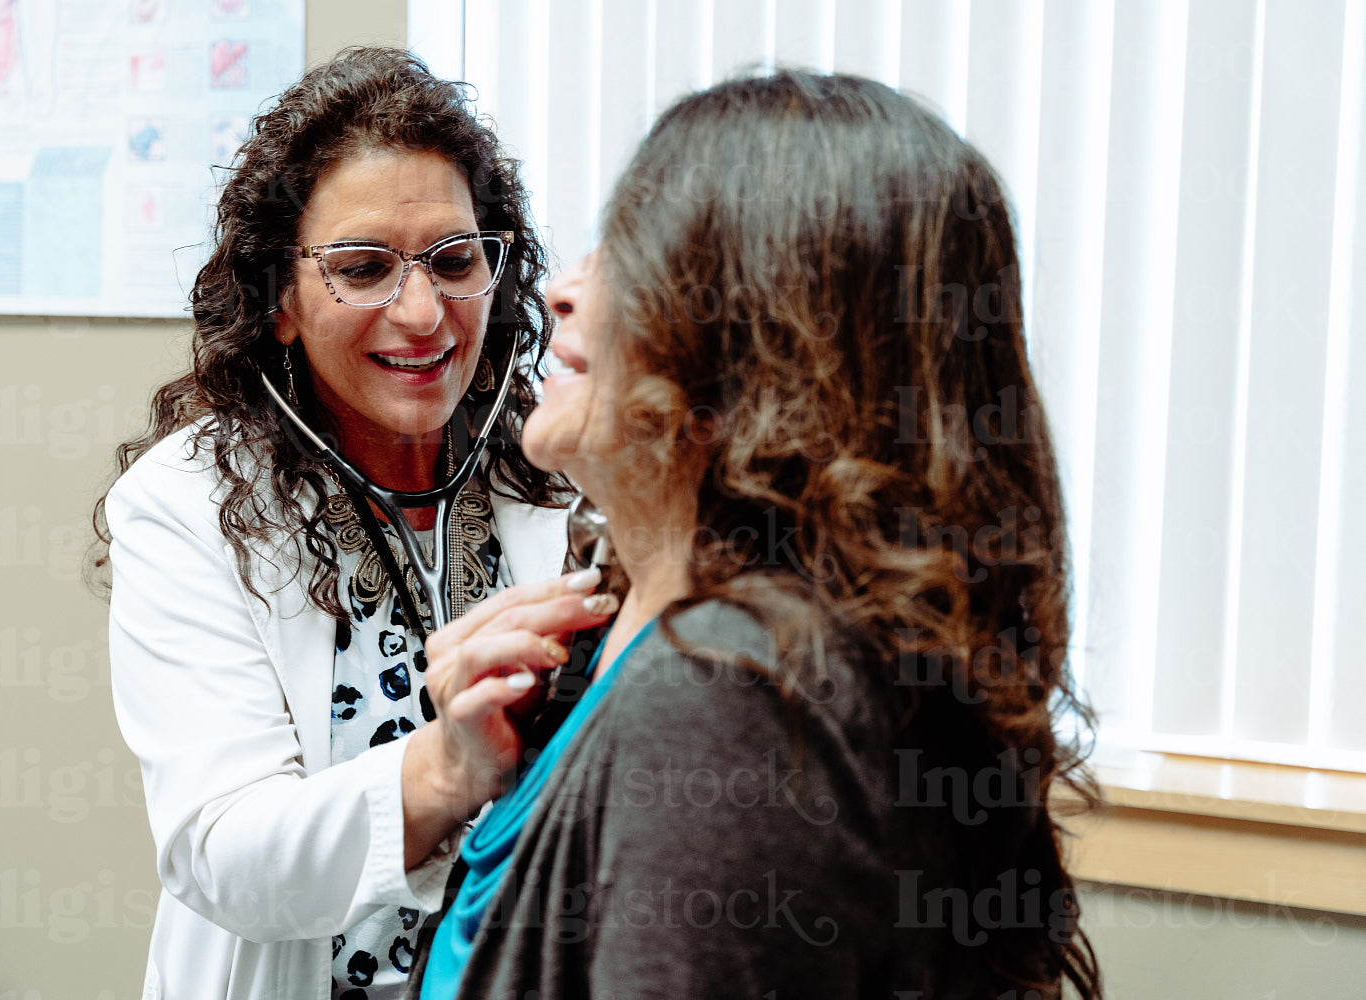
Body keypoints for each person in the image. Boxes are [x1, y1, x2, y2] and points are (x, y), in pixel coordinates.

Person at [412, 72, 1103, 999]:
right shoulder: (642, 646)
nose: (563, 291)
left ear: (770, 338)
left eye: (634, 251)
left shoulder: (726, 696)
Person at [94, 48, 616, 1000]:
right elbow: (222, 852)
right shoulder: (186, 508)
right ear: (279, 302)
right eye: (363, 268)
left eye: (455, 261)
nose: (422, 313)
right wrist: (445, 767)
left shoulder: (570, 464)